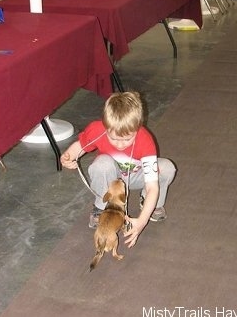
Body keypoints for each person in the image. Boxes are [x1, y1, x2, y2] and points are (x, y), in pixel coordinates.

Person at [60, 91, 176, 248]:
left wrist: (141, 221)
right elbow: (79, 147)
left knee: (167, 168)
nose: (120, 144)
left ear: (138, 127)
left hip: (136, 176)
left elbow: (152, 187)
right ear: (106, 127)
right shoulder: (97, 130)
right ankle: (101, 207)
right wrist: (68, 156)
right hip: (112, 177)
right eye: (114, 138)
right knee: (102, 164)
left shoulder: (145, 140)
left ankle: (151, 205)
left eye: (127, 139)